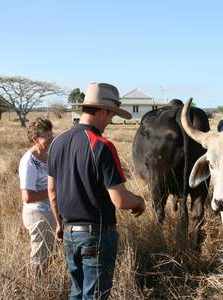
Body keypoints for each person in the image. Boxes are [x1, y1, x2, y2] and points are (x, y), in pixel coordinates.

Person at [47, 82, 146, 300]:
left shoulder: (57, 143)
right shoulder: (102, 145)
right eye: (110, 114)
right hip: (96, 234)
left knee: (77, 292)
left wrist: (59, 225)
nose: (110, 120)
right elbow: (120, 200)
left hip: (69, 232)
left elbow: (52, 192)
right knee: (95, 296)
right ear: (101, 111)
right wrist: (139, 202)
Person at [18, 117, 56, 278]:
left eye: (51, 134)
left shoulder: (49, 155)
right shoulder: (29, 161)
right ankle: (35, 288)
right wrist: (54, 191)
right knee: (40, 258)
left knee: (50, 255)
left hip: (51, 212)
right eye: (46, 136)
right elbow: (27, 197)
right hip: (38, 215)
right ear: (35, 139)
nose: (50, 138)